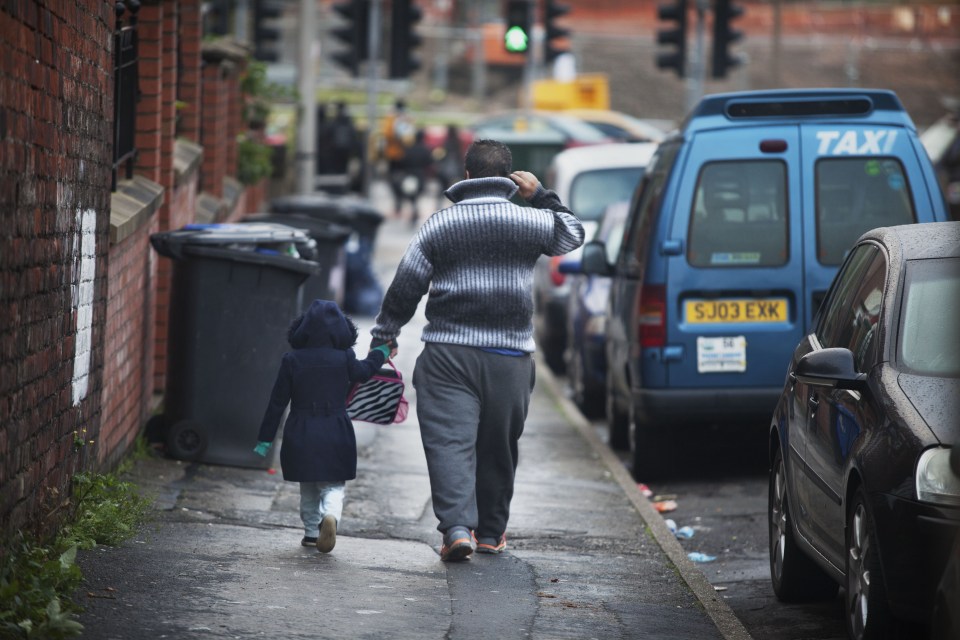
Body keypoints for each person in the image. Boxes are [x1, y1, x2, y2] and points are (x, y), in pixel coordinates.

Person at [369, 139, 585, 561]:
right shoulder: (532, 221)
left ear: (466, 175)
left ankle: (455, 529)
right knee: (497, 447)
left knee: (449, 442)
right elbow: (573, 234)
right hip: (510, 358)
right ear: (509, 178)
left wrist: (385, 334)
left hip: (448, 353)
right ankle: (489, 533)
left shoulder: (439, 225)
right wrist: (541, 195)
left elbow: (406, 284)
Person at [254, 299, 395, 553]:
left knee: (307, 487)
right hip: (335, 430)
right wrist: (381, 353)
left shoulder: (292, 360)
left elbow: (277, 403)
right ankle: (330, 515)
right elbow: (363, 372)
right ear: (342, 330)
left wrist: (265, 440)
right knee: (332, 485)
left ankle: (310, 532)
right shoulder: (345, 357)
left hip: (301, 430)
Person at [392, 128, 434, 225]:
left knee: (410, 195)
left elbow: (401, 162)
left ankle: (408, 209)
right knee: (416, 196)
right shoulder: (425, 150)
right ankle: (414, 211)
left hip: (409, 175)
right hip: (420, 175)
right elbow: (430, 163)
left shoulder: (408, 149)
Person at [382, 99, 416, 216]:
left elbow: (386, 134)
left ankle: (399, 200)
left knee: (393, 179)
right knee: (403, 179)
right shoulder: (408, 119)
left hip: (394, 155)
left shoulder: (391, 119)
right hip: (405, 155)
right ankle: (402, 200)